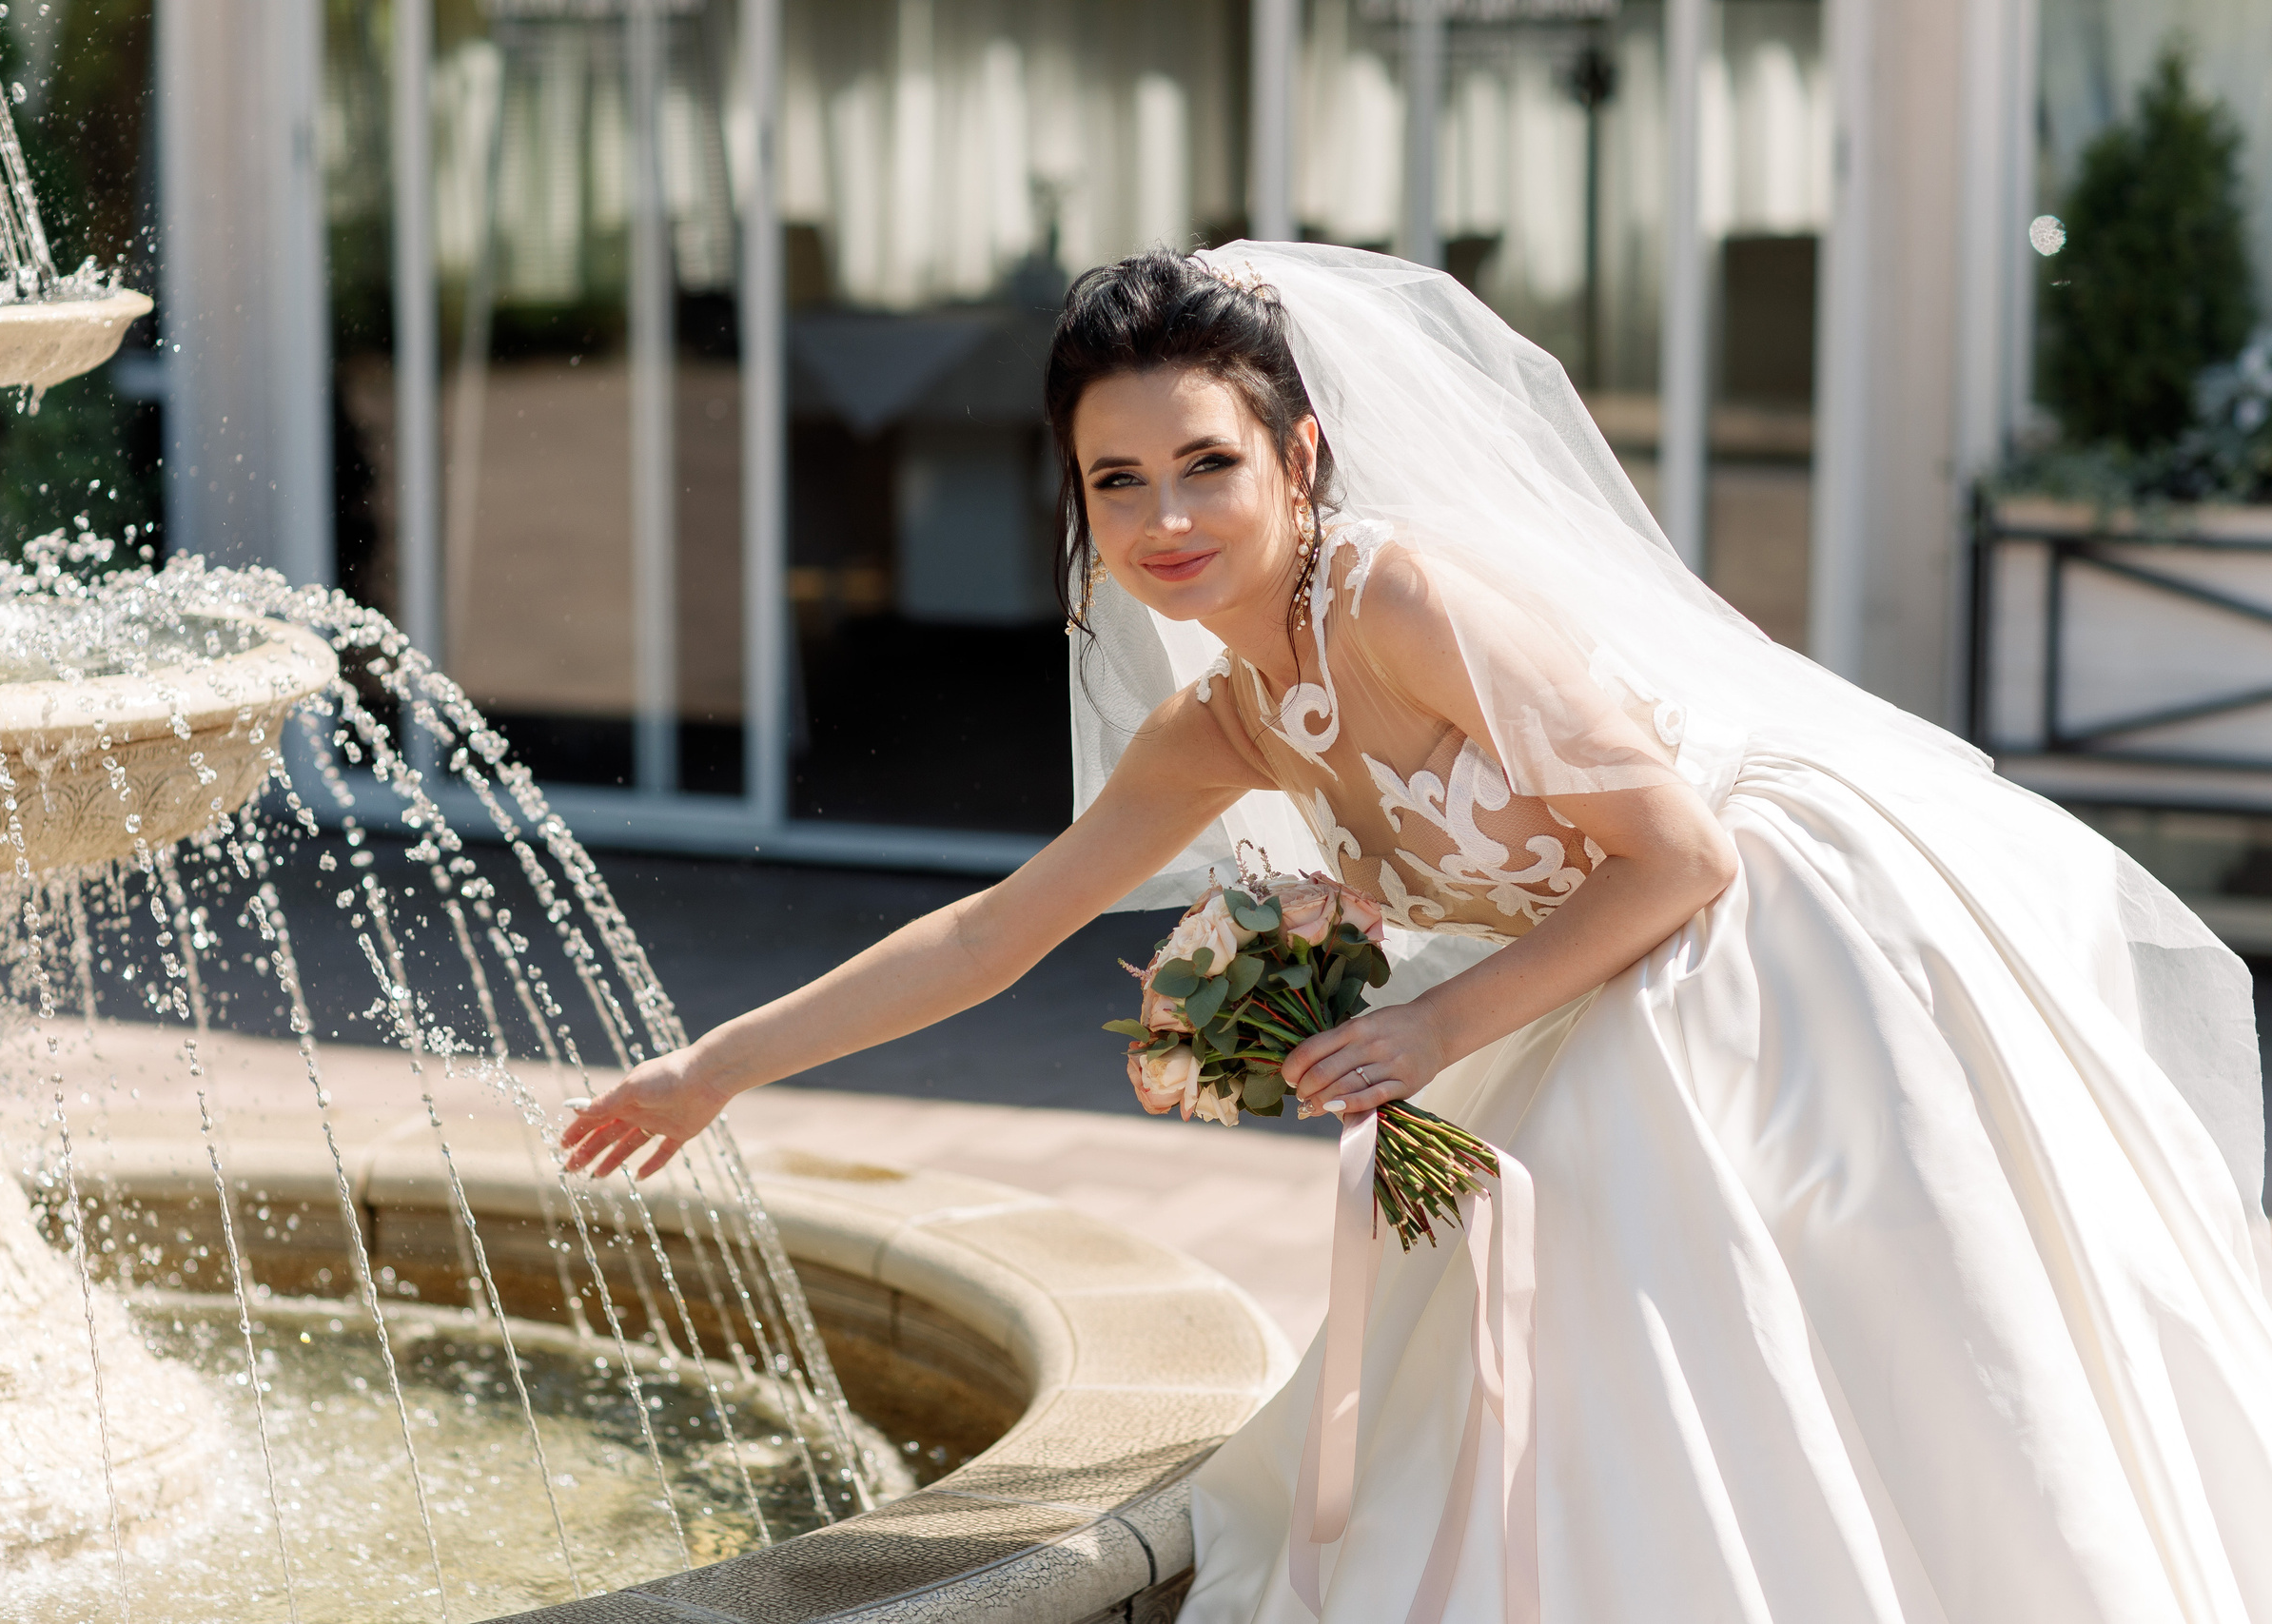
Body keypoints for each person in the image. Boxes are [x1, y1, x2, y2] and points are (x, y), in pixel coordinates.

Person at [561, 243, 2272, 1623]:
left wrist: (1433, 1030)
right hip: (1605, 952)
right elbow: (998, 931)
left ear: (1300, 454)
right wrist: (720, 1065)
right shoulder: (1220, 723)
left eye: (1209, 465)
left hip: (1787, 924)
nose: (1166, 521)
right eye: (1119, 479)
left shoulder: (1403, 598)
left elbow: (1676, 856)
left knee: (1793, 1290)